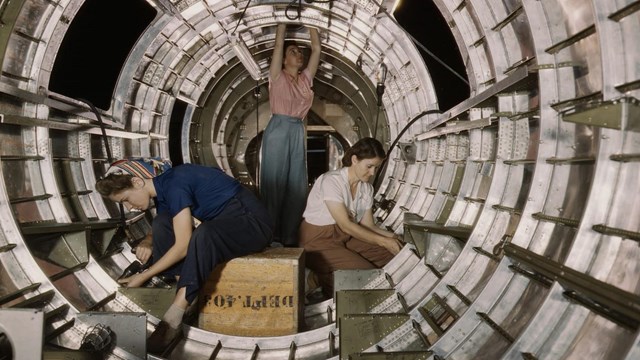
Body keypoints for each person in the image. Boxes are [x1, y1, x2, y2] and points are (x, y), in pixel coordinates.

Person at [95, 158, 273, 354]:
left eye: (126, 200)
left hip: (252, 224)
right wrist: (147, 241)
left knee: (204, 234)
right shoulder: (163, 191)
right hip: (224, 225)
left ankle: (174, 317)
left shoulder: (176, 184)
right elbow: (167, 227)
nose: (130, 207)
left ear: (137, 182)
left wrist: (143, 276)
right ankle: (187, 293)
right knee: (162, 222)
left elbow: (183, 246)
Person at [299, 138, 404, 298]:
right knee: (365, 274)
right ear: (355, 160)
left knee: (390, 256)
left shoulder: (366, 188)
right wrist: (384, 241)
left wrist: (396, 238)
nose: (372, 173)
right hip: (317, 240)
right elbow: (346, 224)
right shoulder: (331, 181)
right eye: (369, 166)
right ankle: (314, 279)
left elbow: (369, 226)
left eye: (376, 167)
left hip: (344, 238)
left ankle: (325, 273)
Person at [260, 23, 321, 247]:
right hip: (278, 128)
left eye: (299, 51)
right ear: (284, 60)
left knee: (296, 185)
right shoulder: (277, 75)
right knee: (274, 183)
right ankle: (270, 235)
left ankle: (289, 235)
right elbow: (278, 45)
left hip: (297, 129)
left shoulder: (305, 79)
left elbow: (316, 49)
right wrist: (283, 23)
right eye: (293, 52)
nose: (299, 54)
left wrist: (313, 21)